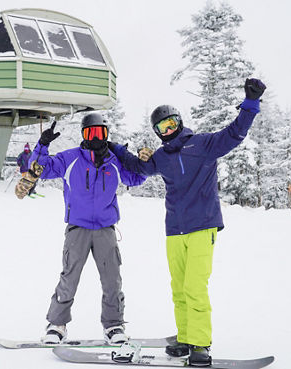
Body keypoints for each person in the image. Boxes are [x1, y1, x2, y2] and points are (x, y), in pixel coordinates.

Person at [108, 79, 266, 366]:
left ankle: (201, 344)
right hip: (174, 230)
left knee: (195, 287)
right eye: (162, 128)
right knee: (179, 287)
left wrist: (250, 103)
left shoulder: (203, 144)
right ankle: (185, 337)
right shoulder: (161, 157)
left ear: (179, 121)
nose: (168, 131)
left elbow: (235, 133)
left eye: (171, 124)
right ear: (157, 133)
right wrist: (116, 148)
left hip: (202, 227)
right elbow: (137, 167)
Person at [28, 114, 146, 344]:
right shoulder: (71, 158)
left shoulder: (115, 160)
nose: (95, 138)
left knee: (112, 279)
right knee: (69, 276)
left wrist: (140, 162)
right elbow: (41, 169)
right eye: (90, 133)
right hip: (78, 228)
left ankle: (113, 325)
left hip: (105, 229)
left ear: (106, 134)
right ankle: (57, 324)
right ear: (83, 135)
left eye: (99, 133)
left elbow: (135, 179)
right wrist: (42, 145)